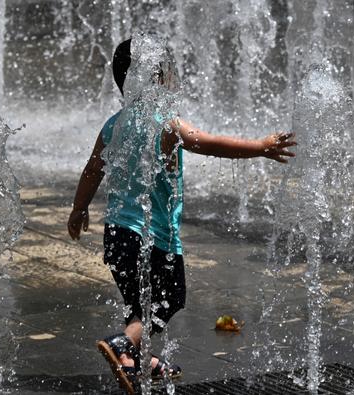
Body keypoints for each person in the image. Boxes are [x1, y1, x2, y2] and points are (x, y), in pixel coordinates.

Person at [67, 36, 296, 394]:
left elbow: (91, 170)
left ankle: (135, 361)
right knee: (170, 297)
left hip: (116, 234)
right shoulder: (166, 124)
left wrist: (78, 209)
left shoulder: (113, 124)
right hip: (155, 238)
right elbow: (209, 142)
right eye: (169, 72)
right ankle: (121, 344)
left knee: (138, 304)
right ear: (156, 79)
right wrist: (260, 148)